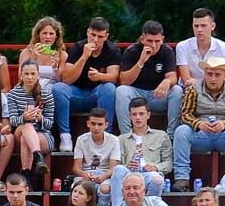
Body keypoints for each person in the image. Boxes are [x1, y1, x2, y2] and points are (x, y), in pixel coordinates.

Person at [172, 57, 225, 191]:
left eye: (217, 75)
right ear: (205, 74)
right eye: (209, 74)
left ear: (224, 76)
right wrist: (198, 124)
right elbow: (184, 115)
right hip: (201, 135)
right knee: (181, 131)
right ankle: (182, 179)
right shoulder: (193, 89)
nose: (213, 79)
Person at [52, 17, 120, 154]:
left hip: (97, 95)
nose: (95, 40)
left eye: (100, 36)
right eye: (93, 35)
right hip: (76, 94)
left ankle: (106, 134)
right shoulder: (77, 48)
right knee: (58, 88)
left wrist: (100, 77)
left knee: (109, 88)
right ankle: (65, 136)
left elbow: (114, 76)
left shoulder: (112, 50)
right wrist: (84, 57)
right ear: (88, 32)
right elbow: (66, 79)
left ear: (106, 36)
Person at [105, 97, 171, 206]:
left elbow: (169, 163)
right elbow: (114, 166)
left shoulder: (161, 136)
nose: (138, 118)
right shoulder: (121, 139)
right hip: (128, 174)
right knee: (119, 169)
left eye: (141, 114)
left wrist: (155, 167)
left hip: (148, 174)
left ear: (148, 115)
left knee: (157, 179)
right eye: (134, 114)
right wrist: (127, 165)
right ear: (130, 116)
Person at [115, 20, 179, 135]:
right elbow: (124, 81)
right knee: (121, 91)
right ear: (142, 39)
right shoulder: (131, 51)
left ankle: (171, 135)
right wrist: (141, 62)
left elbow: (173, 77)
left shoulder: (167, 52)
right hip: (137, 95)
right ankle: (126, 135)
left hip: (157, 96)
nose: (153, 45)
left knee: (177, 90)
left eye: (157, 41)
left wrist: (167, 81)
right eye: (149, 41)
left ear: (162, 39)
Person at [4, 61, 55, 183]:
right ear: (21, 75)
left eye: (33, 73)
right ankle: (38, 158)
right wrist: (24, 117)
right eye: (26, 74)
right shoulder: (13, 94)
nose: (30, 77)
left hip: (42, 135)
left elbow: (50, 124)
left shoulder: (47, 95)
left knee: (25, 140)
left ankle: (26, 176)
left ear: (38, 75)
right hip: (20, 131)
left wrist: (40, 118)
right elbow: (13, 121)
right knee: (26, 126)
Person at [174, 7, 225, 91]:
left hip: (215, 90)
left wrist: (208, 84)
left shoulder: (223, 46)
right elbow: (186, 80)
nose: (199, 30)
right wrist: (214, 82)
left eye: (203, 26)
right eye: (196, 26)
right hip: (190, 90)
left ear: (213, 26)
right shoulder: (182, 46)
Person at [73, 107, 120, 203]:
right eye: (93, 124)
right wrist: (84, 174)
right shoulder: (81, 139)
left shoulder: (114, 140)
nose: (96, 128)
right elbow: (76, 167)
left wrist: (104, 176)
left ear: (106, 125)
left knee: (106, 189)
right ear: (88, 124)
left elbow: (113, 168)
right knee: (79, 189)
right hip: (86, 174)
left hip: (105, 175)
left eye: (100, 124)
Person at [18, 17, 66, 93]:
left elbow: (62, 80)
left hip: (52, 91)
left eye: (51, 34)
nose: (48, 37)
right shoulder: (27, 52)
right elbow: (21, 77)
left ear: (56, 36)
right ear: (38, 35)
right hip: (30, 88)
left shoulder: (62, 55)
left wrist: (55, 68)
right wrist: (33, 59)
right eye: (44, 33)